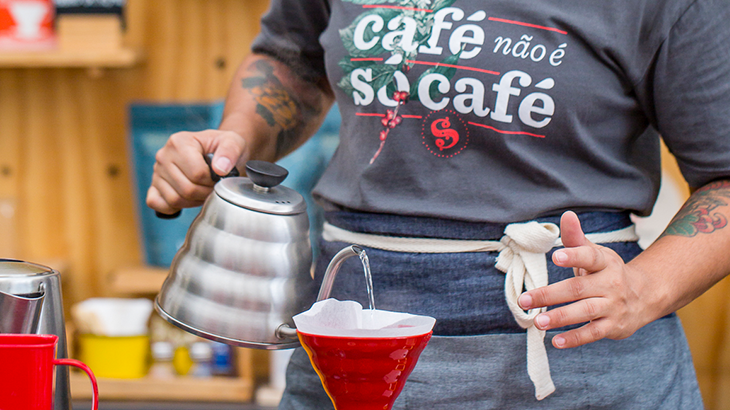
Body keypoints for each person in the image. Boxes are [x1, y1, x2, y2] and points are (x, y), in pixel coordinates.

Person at [147, 0, 730, 408]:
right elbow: (293, 57)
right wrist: (237, 140)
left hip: (576, 351)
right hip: (351, 342)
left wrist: (643, 288)